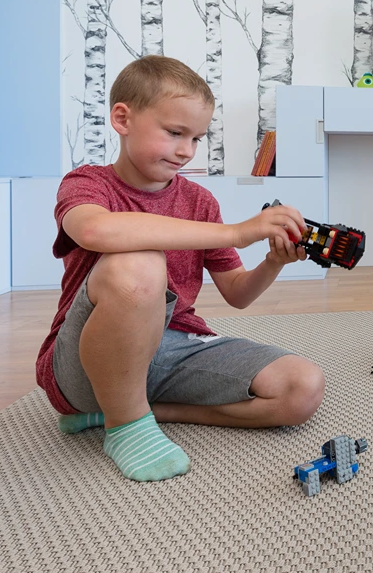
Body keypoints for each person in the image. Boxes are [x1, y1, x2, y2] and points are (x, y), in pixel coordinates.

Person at [35, 55, 324, 482]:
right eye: (174, 133)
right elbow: (95, 230)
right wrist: (235, 233)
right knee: (139, 263)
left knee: (302, 386)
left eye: (196, 139)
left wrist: (271, 261)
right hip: (82, 367)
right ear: (122, 118)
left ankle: (134, 412)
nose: (186, 151)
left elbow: (238, 294)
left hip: (172, 347)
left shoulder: (200, 202)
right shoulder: (86, 183)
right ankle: (125, 425)